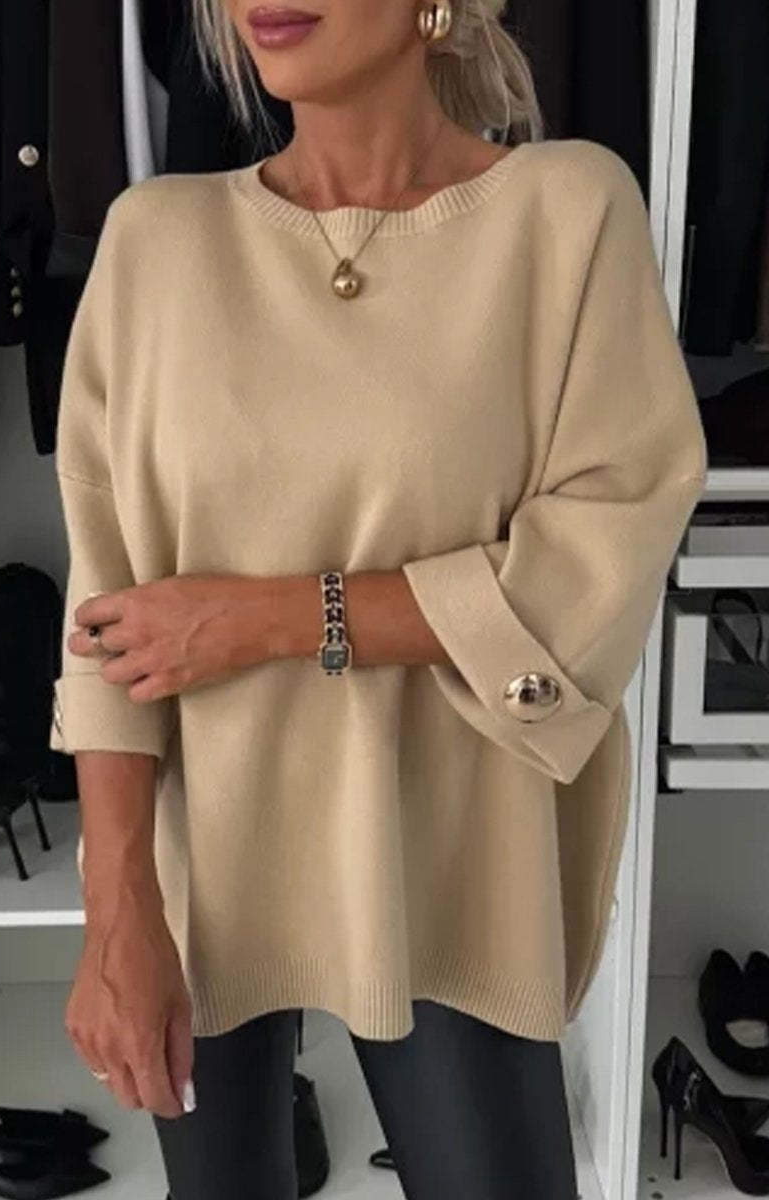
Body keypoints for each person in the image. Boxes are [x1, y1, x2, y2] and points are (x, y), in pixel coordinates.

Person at [48, 1, 709, 1197]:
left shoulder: (563, 216)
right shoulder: (157, 242)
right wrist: (115, 908)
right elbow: (108, 615)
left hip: (452, 865)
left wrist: (267, 619)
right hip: (201, 872)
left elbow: (593, 566)